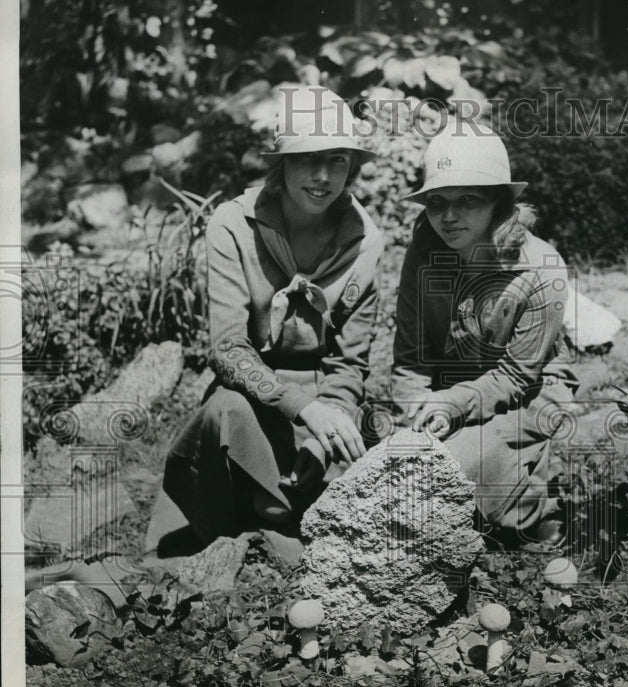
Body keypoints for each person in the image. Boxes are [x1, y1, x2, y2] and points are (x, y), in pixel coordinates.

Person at [147, 86, 383, 559]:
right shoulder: (232, 226)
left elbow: (349, 365)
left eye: (337, 160)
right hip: (255, 396)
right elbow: (229, 350)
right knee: (223, 413)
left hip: (324, 407)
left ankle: (284, 515)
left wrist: (325, 429)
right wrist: (302, 409)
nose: (322, 177)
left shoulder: (365, 242)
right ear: (280, 166)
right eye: (306, 159)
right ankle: (237, 523)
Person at [391, 123, 578, 541]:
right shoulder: (422, 251)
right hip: (446, 386)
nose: (449, 216)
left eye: (467, 200)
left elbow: (516, 376)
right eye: (436, 202)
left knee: (456, 465)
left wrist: (453, 404)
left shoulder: (541, 270)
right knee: (398, 465)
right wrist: (415, 409)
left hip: (527, 391)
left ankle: (532, 509)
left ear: (497, 202)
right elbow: (410, 356)